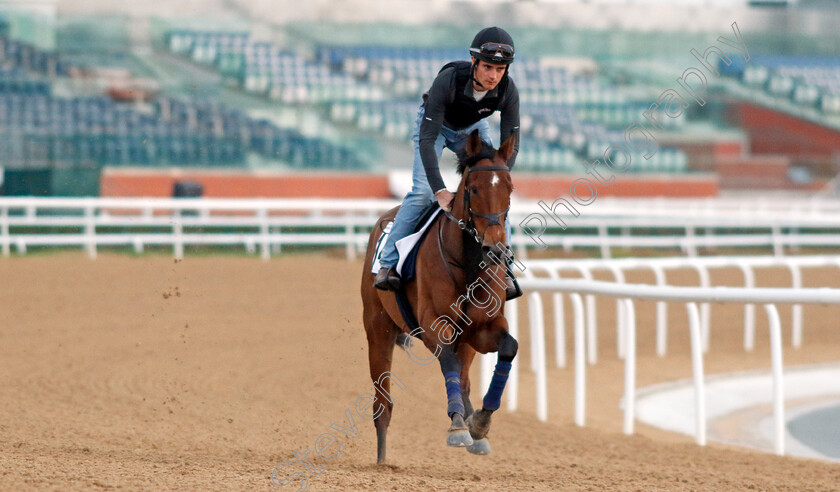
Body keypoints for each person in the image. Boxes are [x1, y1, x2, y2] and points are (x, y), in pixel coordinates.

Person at [374, 26, 521, 299]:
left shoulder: (508, 91)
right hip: (436, 127)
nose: (493, 76)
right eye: (488, 67)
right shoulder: (449, 80)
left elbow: (512, 144)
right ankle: (387, 263)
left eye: (500, 70)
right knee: (422, 193)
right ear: (474, 62)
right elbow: (427, 140)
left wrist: (496, 182)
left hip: (472, 128)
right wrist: (441, 190)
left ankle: (505, 267)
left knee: (494, 197)